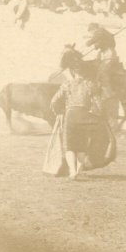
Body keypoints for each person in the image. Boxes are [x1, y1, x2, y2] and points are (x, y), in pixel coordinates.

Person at [48, 50, 105, 180]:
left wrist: (59, 113)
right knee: (82, 145)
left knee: (69, 146)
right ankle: (78, 170)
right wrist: (100, 115)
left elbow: (54, 101)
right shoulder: (90, 84)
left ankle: (72, 172)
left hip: (70, 116)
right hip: (84, 115)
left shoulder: (67, 84)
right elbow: (98, 103)